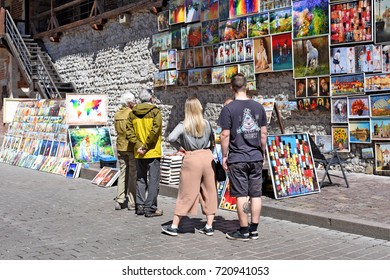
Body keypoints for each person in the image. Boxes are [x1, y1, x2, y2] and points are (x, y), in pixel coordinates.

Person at [218, 73, 267, 241]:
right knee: (256, 194)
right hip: (255, 156)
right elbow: (263, 133)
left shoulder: (228, 108)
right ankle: (254, 230)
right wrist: (263, 153)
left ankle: (244, 230)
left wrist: (224, 156)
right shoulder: (258, 107)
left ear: (232, 88)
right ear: (247, 86)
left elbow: (224, 135)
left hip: (238, 157)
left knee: (241, 195)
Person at [161, 96, 217, 236]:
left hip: (192, 158)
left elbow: (171, 138)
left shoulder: (184, 124)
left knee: (186, 192)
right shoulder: (207, 123)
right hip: (207, 157)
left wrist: (180, 148)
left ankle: (174, 226)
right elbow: (212, 140)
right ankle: (209, 226)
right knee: (210, 191)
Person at [126, 89, 163, 217]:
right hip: (152, 151)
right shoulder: (155, 112)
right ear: (151, 98)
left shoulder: (132, 114)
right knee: (153, 180)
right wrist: (146, 145)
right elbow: (155, 131)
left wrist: (138, 145)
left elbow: (129, 132)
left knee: (140, 179)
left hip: (139, 152)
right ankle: (150, 207)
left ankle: (140, 205)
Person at [114, 92, 137, 211]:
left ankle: (119, 199)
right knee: (132, 174)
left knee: (122, 173)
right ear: (129, 102)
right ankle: (131, 202)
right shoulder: (132, 114)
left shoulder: (117, 114)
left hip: (120, 146)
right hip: (130, 147)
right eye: (133, 101)